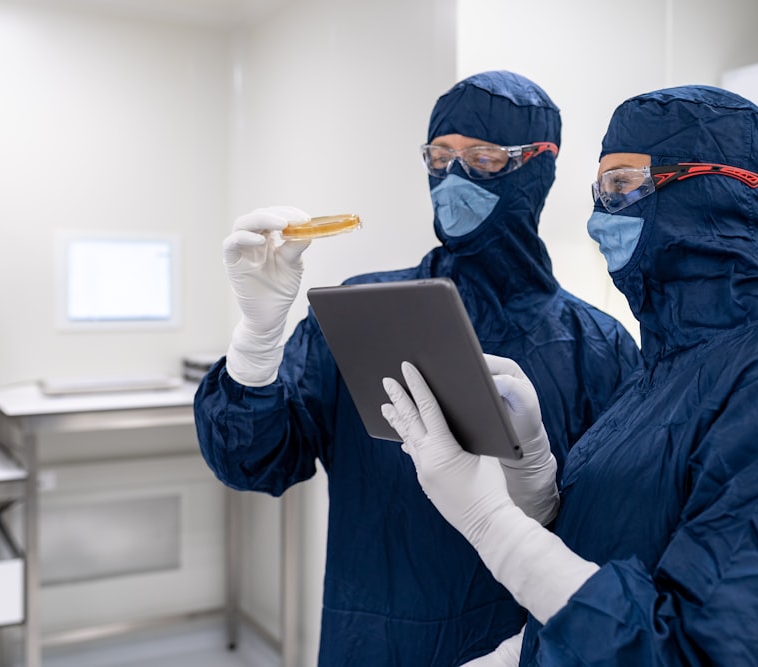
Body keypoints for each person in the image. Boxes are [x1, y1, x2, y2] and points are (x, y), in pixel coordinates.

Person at [382, 85, 758, 666]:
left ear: (718, 191)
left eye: (622, 185)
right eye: (600, 191)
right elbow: (619, 549)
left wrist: (490, 522)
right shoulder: (670, 367)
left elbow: (703, 653)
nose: (597, 223)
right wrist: (534, 475)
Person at [193, 70, 642, 666]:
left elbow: (614, 538)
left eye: (482, 158)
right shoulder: (364, 314)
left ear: (538, 167)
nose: (452, 177)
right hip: (374, 638)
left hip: (522, 641)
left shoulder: (597, 345)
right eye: (440, 156)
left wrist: (531, 649)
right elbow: (255, 461)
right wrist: (257, 342)